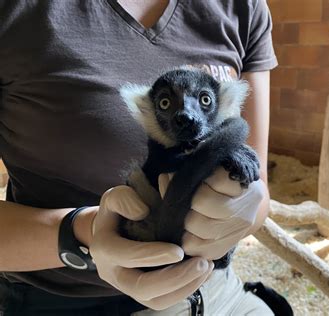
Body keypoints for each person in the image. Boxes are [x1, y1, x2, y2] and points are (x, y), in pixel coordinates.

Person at [0, 0, 282, 315]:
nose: (186, 116)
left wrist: (234, 218)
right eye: (165, 104)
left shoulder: (243, 7)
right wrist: (79, 232)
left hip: (216, 291)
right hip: (71, 302)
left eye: (203, 100)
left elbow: (258, 189)